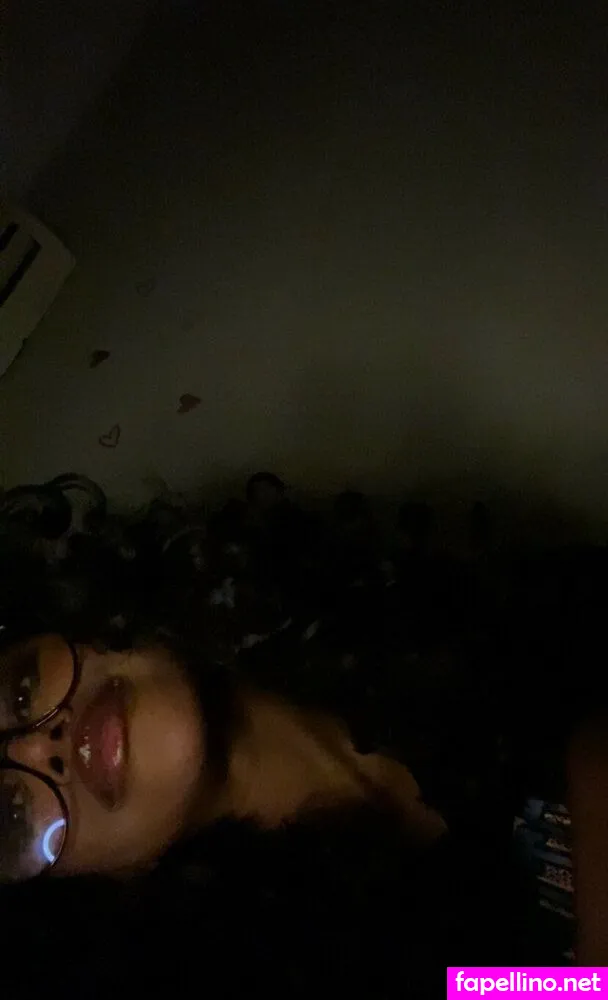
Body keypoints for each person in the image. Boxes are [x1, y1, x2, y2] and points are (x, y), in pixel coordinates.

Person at [0, 475, 605, 994]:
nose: (33, 746)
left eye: (21, 693)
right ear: (87, 888)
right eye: (10, 816)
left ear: (79, 615)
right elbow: (561, 989)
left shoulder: (448, 607)